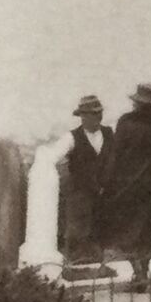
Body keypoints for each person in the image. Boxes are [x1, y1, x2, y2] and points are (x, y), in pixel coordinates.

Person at [98, 82, 151, 291]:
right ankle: (142, 270)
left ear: (138, 103)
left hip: (128, 186)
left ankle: (138, 270)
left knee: (128, 229)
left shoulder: (126, 123)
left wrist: (107, 184)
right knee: (146, 229)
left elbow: (115, 157)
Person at [48, 95, 114, 266]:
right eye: (92, 114)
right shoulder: (71, 138)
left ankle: (98, 268)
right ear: (82, 116)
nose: (97, 117)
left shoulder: (109, 134)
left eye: (99, 113)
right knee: (77, 236)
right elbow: (51, 158)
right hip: (79, 198)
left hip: (103, 198)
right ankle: (75, 268)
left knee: (100, 236)